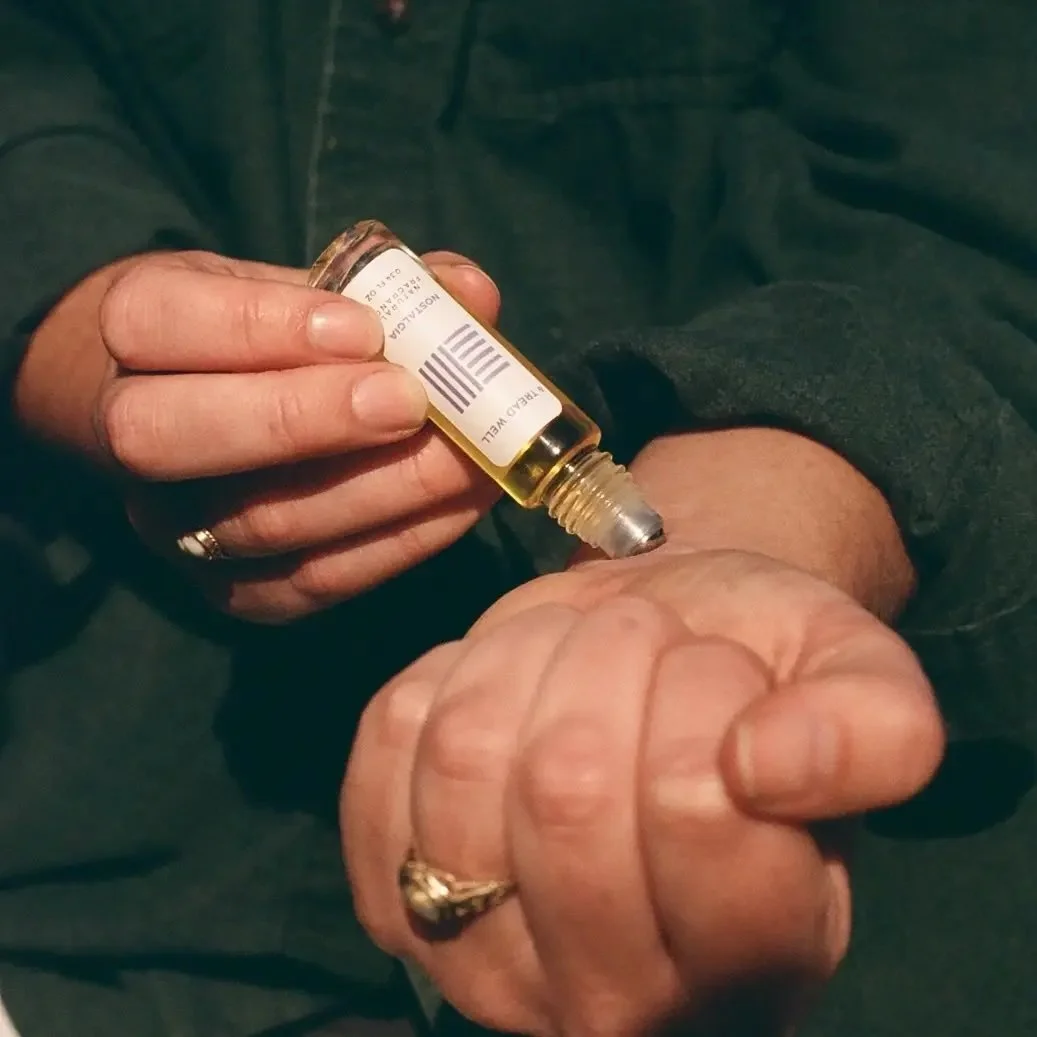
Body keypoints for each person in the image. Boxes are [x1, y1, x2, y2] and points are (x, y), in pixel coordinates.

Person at [1, 1, 1036, 1035]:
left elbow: (958, 167)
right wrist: (106, 358)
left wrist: (747, 520)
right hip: (127, 892)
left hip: (800, 931)